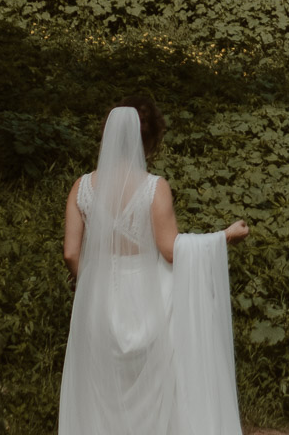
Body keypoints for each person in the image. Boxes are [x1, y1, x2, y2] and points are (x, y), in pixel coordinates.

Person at [58, 100, 251, 435]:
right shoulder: (153, 187)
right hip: (148, 300)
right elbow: (171, 250)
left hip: (98, 299)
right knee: (158, 388)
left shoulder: (82, 187)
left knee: (102, 389)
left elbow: (71, 253)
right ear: (149, 142)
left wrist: (90, 283)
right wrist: (223, 238)